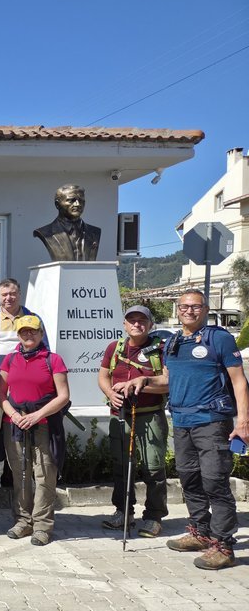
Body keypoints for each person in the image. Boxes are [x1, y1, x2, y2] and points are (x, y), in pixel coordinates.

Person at [123, 289, 249, 570]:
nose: (189, 311)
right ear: (177, 310)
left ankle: (224, 545)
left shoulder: (219, 339)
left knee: (214, 482)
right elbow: (168, 380)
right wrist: (143, 381)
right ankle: (200, 532)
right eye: (184, 307)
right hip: (181, 422)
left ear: (205, 309)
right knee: (190, 479)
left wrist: (243, 422)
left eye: (195, 306)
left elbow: (239, 381)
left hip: (212, 421)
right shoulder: (173, 342)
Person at [0, 316, 70, 546]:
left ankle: (42, 525)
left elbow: (63, 396)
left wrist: (37, 415)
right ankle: (23, 521)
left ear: (41, 333)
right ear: (18, 335)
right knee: (20, 474)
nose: (28, 335)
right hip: (15, 425)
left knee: (44, 474)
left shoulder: (53, 360)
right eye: (23, 331)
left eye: (33, 331)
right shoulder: (10, 360)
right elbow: (0, 393)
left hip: (45, 424)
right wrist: (14, 415)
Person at [97, 306, 169, 537]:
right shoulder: (115, 348)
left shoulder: (160, 349)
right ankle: (123, 512)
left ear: (150, 324)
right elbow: (103, 376)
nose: (137, 324)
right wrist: (110, 393)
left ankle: (154, 517)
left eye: (142, 320)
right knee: (121, 467)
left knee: (153, 468)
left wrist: (141, 383)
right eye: (132, 320)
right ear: (125, 324)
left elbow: (168, 382)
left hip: (150, 414)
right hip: (120, 415)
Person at [0, 278, 44, 495]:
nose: (8, 298)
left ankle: (26, 477)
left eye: (12, 293)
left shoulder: (32, 318)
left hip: (25, 389)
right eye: (4, 294)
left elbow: (44, 348)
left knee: (26, 433)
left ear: (19, 294)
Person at [33, 183, 102, 262]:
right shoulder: (46, 232)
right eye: (71, 200)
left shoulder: (94, 232)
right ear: (57, 205)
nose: (78, 204)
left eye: (81, 201)